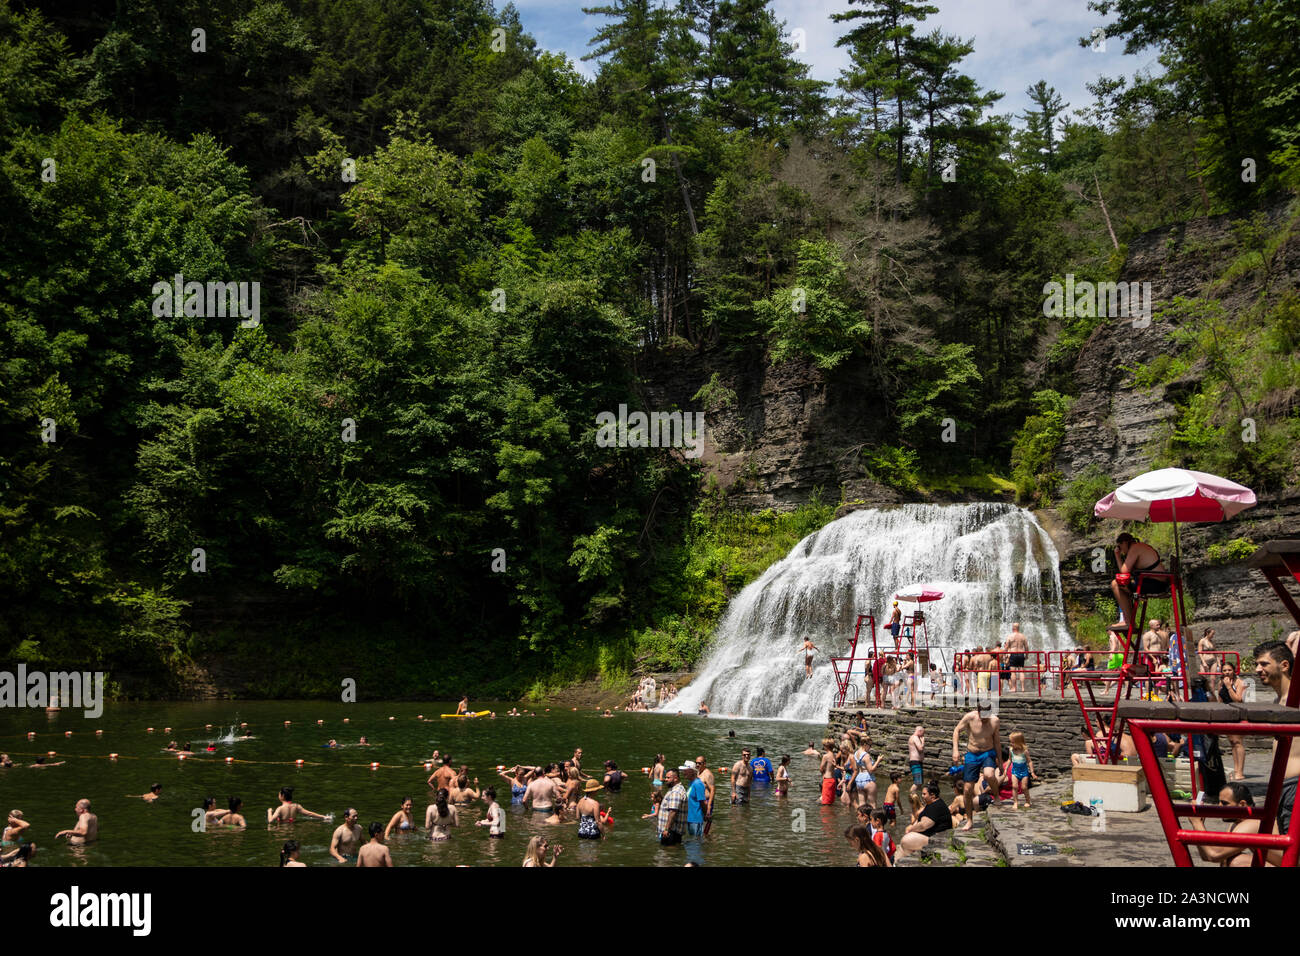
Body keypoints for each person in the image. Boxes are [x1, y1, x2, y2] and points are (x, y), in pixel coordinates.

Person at [1253, 641, 1297, 863]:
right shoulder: (1278, 700)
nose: (1257, 669)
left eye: (1264, 664)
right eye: (1256, 664)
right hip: (1283, 789)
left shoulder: (1297, 699)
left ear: (1284, 665)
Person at [1188, 782, 1264, 867]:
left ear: (1242, 804)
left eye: (1224, 803)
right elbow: (1207, 855)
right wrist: (1198, 824)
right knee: (1226, 858)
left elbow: (1214, 855)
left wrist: (1197, 823)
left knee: (1237, 862)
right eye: (1219, 802)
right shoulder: (1237, 824)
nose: (1219, 806)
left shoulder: (1252, 823)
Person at [952, 702, 1002, 830]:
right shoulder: (970, 717)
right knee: (968, 789)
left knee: (989, 774)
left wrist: (1000, 762)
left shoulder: (995, 721)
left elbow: (997, 741)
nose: (985, 719)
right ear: (978, 712)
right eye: (983, 717)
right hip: (972, 754)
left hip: (988, 752)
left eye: (987, 716)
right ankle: (969, 820)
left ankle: (996, 796)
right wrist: (955, 750)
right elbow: (957, 730)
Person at [1108, 532, 1168, 631]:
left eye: (1120, 546)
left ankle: (1128, 622)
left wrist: (1117, 556)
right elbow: (1125, 574)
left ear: (1125, 542)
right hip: (1156, 582)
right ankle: (1129, 621)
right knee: (1123, 585)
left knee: (1115, 584)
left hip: (1156, 584)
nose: (1121, 550)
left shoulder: (1135, 548)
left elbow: (1123, 571)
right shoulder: (1138, 546)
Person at [899, 781, 952, 857]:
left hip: (939, 839)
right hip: (933, 836)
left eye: (924, 794)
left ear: (932, 795)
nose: (922, 796)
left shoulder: (936, 807)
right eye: (922, 794)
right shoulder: (931, 804)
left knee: (906, 840)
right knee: (902, 845)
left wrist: (911, 829)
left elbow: (924, 825)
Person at [1219, 661, 1247, 780]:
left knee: (1238, 742)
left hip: (1238, 713)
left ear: (1234, 670)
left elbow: (1238, 699)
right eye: (1224, 670)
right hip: (1226, 713)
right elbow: (1220, 697)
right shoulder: (1222, 682)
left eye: (1229, 670)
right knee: (1232, 742)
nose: (1227, 672)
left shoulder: (1240, 682)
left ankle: (1240, 771)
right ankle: (1236, 769)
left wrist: (1229, 687)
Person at [1007, 731, 1040, 809]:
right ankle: (1015, 802)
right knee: (1014, 786)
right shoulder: (1011, 750)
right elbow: (1009, 760)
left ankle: (1028, 800)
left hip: (1024, 772)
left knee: (1024, 787)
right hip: (1015, 771)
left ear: (1019, 742)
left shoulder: (1024, 751)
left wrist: (1032, 772)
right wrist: (1005, 769)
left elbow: (1029, 761)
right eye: (1010, 742)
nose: (1011, 744)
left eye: (1012, 742)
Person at [657, 769, 687, 845]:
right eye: (665, 777)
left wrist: (666, 829)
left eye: (668, 778)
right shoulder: (674, 789)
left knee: (669, 854)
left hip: (671, 832)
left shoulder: (676, 792)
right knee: (670, 854)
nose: (665, 779)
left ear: (675, 778)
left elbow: (673, 811)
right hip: (671, 832)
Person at [695, 756, 716, 834]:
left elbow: (713, 790)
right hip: (699, 801)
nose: (697, 765)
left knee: (706, 823)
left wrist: (709, 805)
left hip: (706, 801)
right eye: (696, 763)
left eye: (699, 763)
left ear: (704, 764)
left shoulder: (708, 774)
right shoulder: (698, 772)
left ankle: (708, 838)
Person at [1005, 623, 1029, 692]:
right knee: (1021, 671)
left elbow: (1006, 646)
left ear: (1013, 628)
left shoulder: (1010, 636)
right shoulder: (1023, 636)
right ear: (1018, 628)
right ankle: (1022, 688)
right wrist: (1026, 655)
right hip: (1021, 654)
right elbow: (1026, 647)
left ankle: (1013, 688)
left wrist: (1005, 655)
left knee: (1013, 672)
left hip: (1013, 654)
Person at [818, 739, 838, 806]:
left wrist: (823, 774)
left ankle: (826, 816)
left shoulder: (825, 756)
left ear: (826, 746)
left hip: (827, 780)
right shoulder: (835, 755)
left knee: (826, 802)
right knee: (831, 802)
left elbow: (821, 768)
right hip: (833, 780)